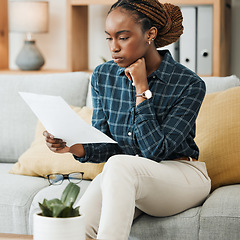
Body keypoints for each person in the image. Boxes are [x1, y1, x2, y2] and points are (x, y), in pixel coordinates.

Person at [44, 0, 211, 239]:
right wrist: (74, 147)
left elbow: (156, 151)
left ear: (150, 34)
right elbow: (107, 143)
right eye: (109, 38)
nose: (114, 48)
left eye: (123, 37)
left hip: (181, 175)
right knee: (76, 227)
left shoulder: (189, 84)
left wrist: (141, 88)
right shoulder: (103, 76)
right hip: (126, 175)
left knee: (119, 165)